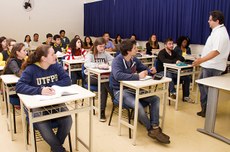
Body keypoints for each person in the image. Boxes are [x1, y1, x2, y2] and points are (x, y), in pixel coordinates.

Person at [110, 39, 170, 144]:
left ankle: (155, 125)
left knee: (155, 98)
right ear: (128, 51)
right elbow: (118, 75)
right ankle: (151, 129)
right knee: (137, 105)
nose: (136, 49)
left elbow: (144, 68)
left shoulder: (133, 59)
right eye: (134, 48)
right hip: (120, 91)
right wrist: (137, 76)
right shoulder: (117, 60)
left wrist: (151, 71)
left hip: (133, 88)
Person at [16, 45, 72, 152]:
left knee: (67, 120)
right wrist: (40, 90)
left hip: (54, 102)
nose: (55, 56)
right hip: (36, 105)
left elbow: (67, 80)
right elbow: (19, 86)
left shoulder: (55, 65)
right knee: (42, 122)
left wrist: (50, 86)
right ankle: (59, 149)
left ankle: (55, 148)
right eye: (52, 54)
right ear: (43, 58)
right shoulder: (31, 69)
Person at [193, 10, 230, 117]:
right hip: (208, 65)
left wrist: (201, 60)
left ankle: (209, 111)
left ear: (217, 21)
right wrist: (201, 57)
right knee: (201, 84)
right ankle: (205, 109)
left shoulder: (220, 33)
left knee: (208, 90)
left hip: (212, 66)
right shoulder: (216, 31)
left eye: (210, 20)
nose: (208, 22)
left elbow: (216, 51)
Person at [84, 37, 114, 122]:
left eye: (103, 46)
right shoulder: (90, 54)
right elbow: (87, 64)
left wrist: (107, 64)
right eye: (100, 46)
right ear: (96, 46)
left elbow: (113, 60)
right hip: (90, 76)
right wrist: (98, 65)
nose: (102, 48)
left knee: (103, 83)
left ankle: (102, 111)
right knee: (104, 83)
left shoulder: (105, 53)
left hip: (102, 77)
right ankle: (114, 98)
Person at [156, 38, 194, 103]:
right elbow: (164, 61)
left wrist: (179, 59)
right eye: (169, 44)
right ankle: (173, 92)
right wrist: (175, 61)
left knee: (187, 77)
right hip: (161, 73)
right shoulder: (161, 52)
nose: (171, 45)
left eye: (172, 44)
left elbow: (181, 58)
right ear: (165, 45)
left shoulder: (173, 52)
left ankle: (186, 96)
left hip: (172, 72)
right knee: (168, 74)